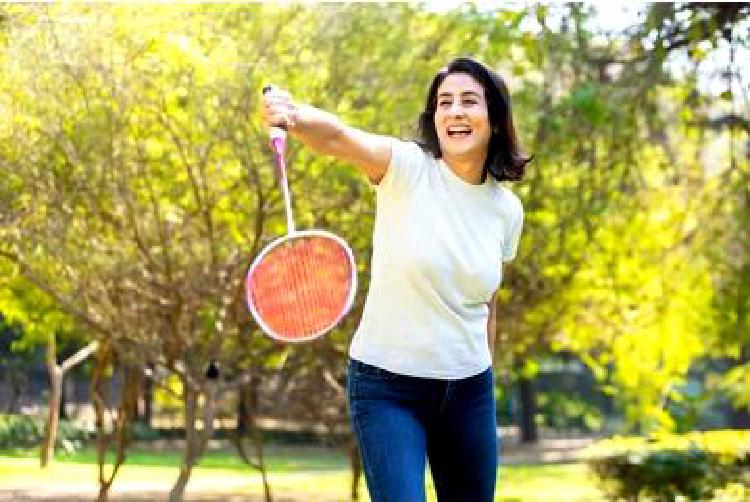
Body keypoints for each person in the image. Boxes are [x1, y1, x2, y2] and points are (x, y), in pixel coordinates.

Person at [262, 57, 530, 502]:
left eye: (469, 101)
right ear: (434, 117)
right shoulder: (406, 169)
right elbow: (339, 137)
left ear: (496, 120)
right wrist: (293, 116)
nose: (455, 112)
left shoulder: (507, 210)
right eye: (444, 102)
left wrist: (481, 370)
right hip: (388, 387)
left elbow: (488, 301)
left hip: (469, 393)